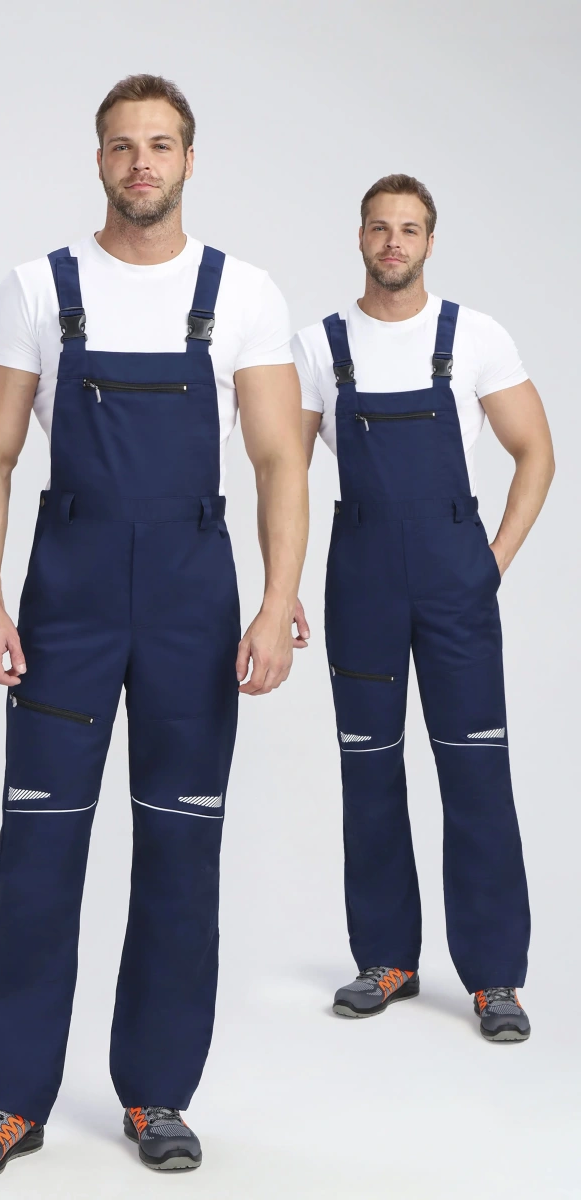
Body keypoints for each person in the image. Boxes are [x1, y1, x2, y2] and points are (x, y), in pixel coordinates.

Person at [0, 74, 308, 1182]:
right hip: (70, 593)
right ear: (97, 160)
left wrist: (277, 601)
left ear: (190, 159)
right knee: (39, 844)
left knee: (182, 849)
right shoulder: (34, 289)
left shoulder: (243, 293)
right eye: (121, 145)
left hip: (194, 594)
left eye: (160, 144)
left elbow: (279, 458)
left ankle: (157, 1095)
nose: (140, 162)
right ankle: (8, 1103)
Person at [294, 174, 554, 1042]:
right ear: (359, 238)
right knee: (368, 768)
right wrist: (280, 585)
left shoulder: (474, 336)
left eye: (409, 229)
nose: (393, 242)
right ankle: (387, 959)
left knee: (475, 770)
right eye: (379, 228)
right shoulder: (318, 346)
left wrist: (492, 563)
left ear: (430, 242)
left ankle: (495, 977)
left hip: (454, 580)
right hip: (360, 578)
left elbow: (536, 452)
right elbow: (282, 470)